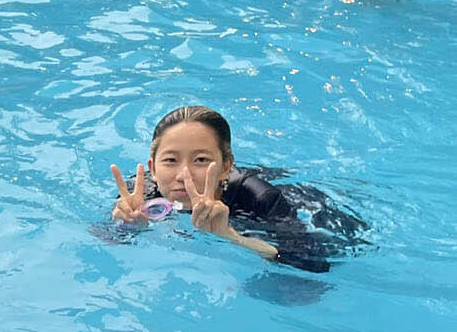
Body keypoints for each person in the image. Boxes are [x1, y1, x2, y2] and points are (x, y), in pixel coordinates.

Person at [109, 105, 350, 274]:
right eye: (170, 160)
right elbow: (109, 241)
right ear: (153, 168)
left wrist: (231, 237)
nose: (183, 175)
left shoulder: (260, 198)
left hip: (299, 196)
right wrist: (128, 226)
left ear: (225, 166)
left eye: (201, 160)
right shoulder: (140, 192)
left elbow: (314, 264)